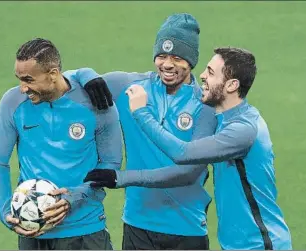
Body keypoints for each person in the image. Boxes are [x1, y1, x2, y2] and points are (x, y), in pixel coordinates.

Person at [85, 47, 293, 250]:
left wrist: (141, 112)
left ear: (231, 85)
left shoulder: (242, 130)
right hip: (238, 243)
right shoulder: (226, 120)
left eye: (211, 72)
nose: (202, 75)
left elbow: (183, 154)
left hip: (260, 242)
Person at [66, 13, 217, 250]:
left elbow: (188, 172)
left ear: (191, 61)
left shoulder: (205, 105)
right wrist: (87, 75)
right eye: (162, 55)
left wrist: (120, 178)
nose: (167, 64)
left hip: (186, 228)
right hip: (137, 225)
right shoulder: (130, 86)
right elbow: (64, 83)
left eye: (177, 57)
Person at [0, 38, 122, 250]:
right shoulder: (12, 103)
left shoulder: (95, 103)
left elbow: (110, 163)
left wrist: (73, 198)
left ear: (53, 74)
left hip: (84, 230)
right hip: (33, 231)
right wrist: (7, 211)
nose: (23, 88)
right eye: (19, 79)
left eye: (29, 80)